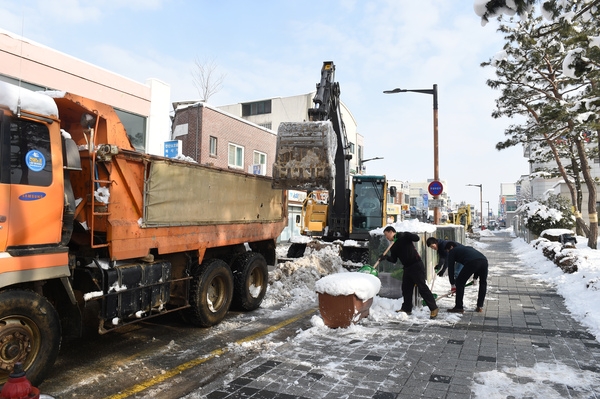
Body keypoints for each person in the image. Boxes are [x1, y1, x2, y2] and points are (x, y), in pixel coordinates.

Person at [379, 226, 438, 319]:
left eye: (386, 235)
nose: (386, 237)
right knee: (406, 289)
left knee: (422, 287)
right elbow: (394, 260)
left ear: (391, 232)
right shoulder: (393, 246)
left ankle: (433, 308)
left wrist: (406, 234)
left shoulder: (404, 237)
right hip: (407, 268)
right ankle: (406, 308)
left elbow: (417, 238)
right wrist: (386, 258)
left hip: (416, 265)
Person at [444, 242, 488, 313]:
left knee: (459, 282)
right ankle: (479, 306)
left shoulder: (453, 251)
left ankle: (458, 307)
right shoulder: (467, 248)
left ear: (451, 247)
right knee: (483, 283)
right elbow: (477, 259)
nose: (448, 253)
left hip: (472, 262)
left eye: (448, 251)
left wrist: (452, 283)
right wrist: (475, 278)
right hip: (484, 261)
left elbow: (451, 268)